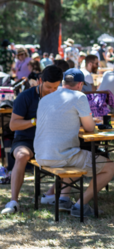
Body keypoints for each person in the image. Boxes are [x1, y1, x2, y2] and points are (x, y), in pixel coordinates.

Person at [33, 69, 114, 217]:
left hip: (41, 155)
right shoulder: (79, 97)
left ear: (63, 82)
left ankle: (64, 199)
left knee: (77, 156)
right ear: (80, 84)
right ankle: (81, 205)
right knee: (110, 167)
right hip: (61, 155)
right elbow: (90, 128)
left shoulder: (45, 98)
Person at [1, 66, 63, 215]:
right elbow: (13, 125)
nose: (52, 91)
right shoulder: (26, 96)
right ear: (40, 81)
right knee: (22, 156)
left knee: (71, 150)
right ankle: (13, 201)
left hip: (50, 140)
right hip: (26, 140)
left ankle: (51, 195)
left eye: (56, 87)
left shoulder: (60, 96)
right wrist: (35, 121)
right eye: (48, 87)